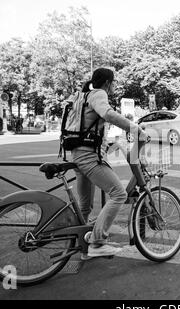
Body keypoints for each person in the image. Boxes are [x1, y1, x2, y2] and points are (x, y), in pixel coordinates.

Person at [69, 67, 148, 258]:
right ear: (107, 83)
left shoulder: (82, 95)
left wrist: (108, 144)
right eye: (113, 83)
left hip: (76, 153)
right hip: (88, 157)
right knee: (118, 193)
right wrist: (135, 129)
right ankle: (97, 243)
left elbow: (88, 125)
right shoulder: (98, 94)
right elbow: (108, 114)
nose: (113, 87)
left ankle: (79, 246)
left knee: (85, 206)